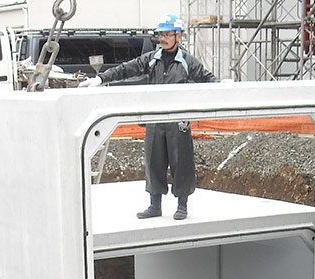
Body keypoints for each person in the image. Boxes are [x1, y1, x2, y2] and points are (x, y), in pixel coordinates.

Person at [78, 14, 216, 220]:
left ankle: (182, 206)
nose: (163, 38)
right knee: (154, 162)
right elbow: (127, 69)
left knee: (182, 163)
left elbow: (208, 80)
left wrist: (224, 86)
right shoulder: (152, 59)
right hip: (154, 119)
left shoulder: (187, 62)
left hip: (178, 122)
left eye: (168, 34)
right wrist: (101, 78)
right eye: (161, 34)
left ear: (178, 36)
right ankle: (155, 205)